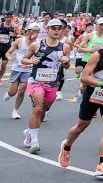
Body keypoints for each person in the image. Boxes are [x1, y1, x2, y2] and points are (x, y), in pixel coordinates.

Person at [59, 28, 103, 176]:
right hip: (94, 92)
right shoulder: (98, 55)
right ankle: (66, 146)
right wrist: (102, 85)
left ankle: (102, 163)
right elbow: (84, 77)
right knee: (81, 126)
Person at [21, 18, 72, 154]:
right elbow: (24, 58)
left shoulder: (65, 47)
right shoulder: (37, 45)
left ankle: (29, 133)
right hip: (36, 81)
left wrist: (66, 61)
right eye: (53, 28)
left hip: (53, 83)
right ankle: (34, 141)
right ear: (47, 29)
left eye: (59, 28)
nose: (56, 31)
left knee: (43, 111)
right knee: (37, 107)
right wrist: (31, 61)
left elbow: (67, 65)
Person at [3, 22, 39, 119]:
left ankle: (15, 111)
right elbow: (8, 52)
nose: (35, 33)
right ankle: (8, 93)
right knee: (13, 92)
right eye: (33, 31)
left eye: (37, 31)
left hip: (29, 69)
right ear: (28, 31)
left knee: (22, 90)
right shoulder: (19, 41)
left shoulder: (38, 42)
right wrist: (9, 57)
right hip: (17, 68)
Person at [0, 16, 16, 86]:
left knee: (4, 64)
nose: (9, 19)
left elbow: (19, 35)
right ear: (5, 18)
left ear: (12, 19)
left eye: (10, 18)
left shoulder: (14, 26)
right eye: (7, 17)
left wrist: (14, 35)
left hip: (7, 48)